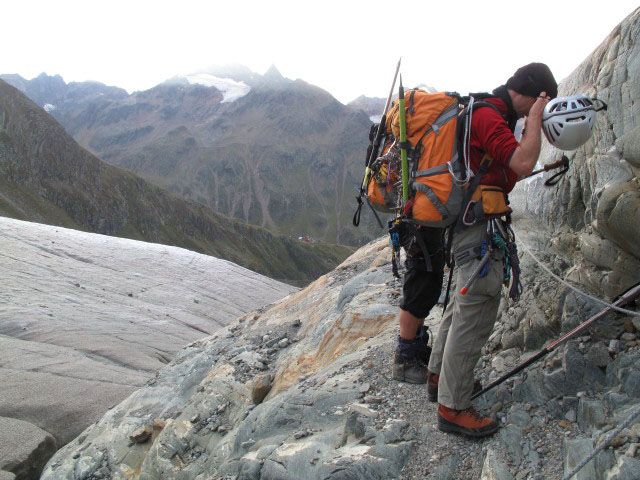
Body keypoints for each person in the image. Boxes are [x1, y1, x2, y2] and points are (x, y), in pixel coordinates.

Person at [425, 63, 558, 437]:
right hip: (478, 225)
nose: (542, 111)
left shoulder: (486, 112)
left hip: (468, 221)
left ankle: (438, 379)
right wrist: (533, 120)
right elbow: (522, 161)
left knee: (459, 303)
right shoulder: (489, 115)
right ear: (532, 94)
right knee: (476, 308)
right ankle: (453, 406)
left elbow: (505, 167)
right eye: (541, 102)